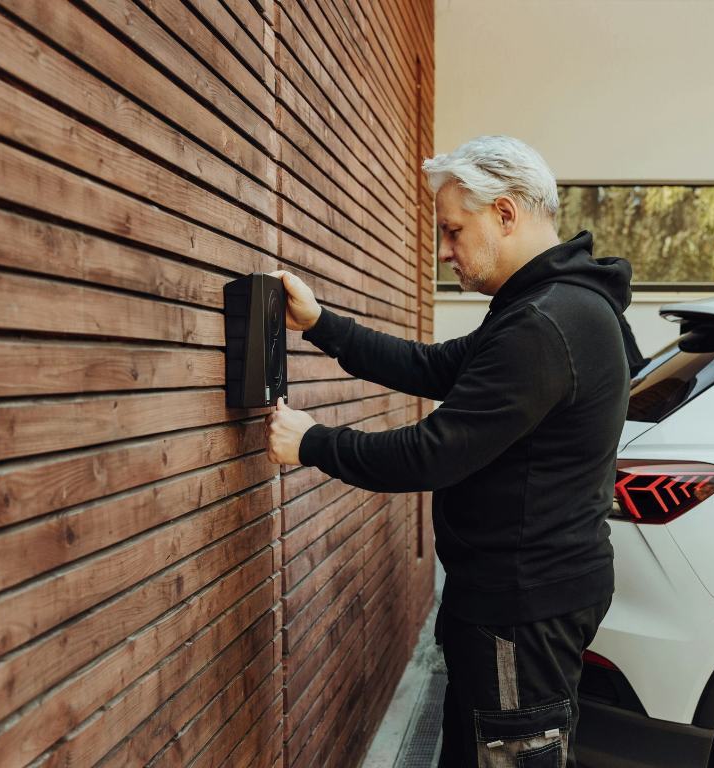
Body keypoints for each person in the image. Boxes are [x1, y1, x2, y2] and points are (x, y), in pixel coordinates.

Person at [264, 135, 631, 768]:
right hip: (516, 599)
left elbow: (436, 452)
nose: (444, 251)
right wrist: (323, 325)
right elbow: (435, 367)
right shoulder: (542, 308)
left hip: (520, 609)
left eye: (453, 230)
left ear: (506, 214)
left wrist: (315, 444)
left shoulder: (549, 323)